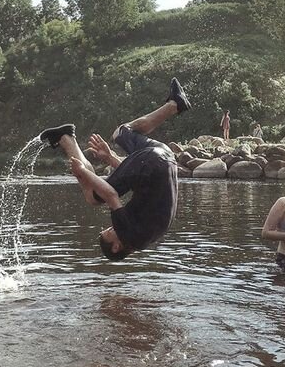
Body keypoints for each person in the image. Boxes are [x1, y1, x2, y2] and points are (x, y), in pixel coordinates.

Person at [39, 77, 191, 261]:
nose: (109, 228)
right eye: (108, 232)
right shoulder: (128, 234)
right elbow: (110, 194)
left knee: (122, 133)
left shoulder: (145, 236)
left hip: (165, 157)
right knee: (94, 197)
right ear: (117, 246)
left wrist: (111, 158)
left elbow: (141, 182)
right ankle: (65, 138)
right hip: (151, 163)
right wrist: (82, 171)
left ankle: (175, 104)